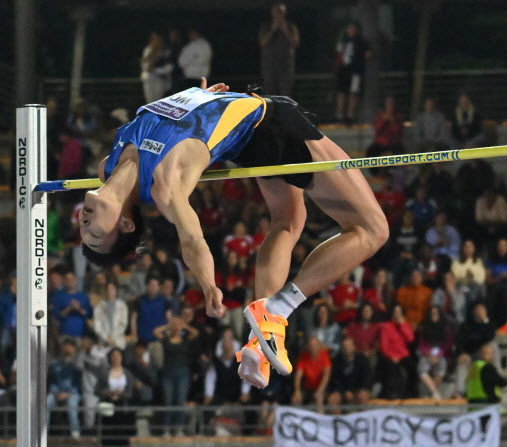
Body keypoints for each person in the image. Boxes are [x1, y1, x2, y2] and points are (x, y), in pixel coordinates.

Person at [78, 79, 388, 388]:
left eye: (83, 230)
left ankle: (260, 341)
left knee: (288, 222)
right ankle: (279, 308)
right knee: (373, 230)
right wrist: (209, 287)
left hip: (250, 140)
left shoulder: (108, 166)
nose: (84, 224)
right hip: (272, 124)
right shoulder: (165, 187)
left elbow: (167, 117)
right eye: (94, 236)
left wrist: (199, 96)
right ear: (125, 224)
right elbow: (193, 240)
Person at [258, 2, 299, 96]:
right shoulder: (266, 26)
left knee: (285, 95)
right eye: (277, 12)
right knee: (269, 94)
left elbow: (295, 43)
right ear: (272, 12)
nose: (279, 14)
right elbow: (262, 42)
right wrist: (273, 29)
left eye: (281, 12)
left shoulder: (291, 26)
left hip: (286, 67)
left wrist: (285, 30)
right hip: (269, 67)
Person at [335, 21, 371, 123]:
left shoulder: (361, 41)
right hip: (343, 69)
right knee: (341, 91)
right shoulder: (343, 40)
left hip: (355, 70)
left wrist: (359, 61)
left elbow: (368, 53)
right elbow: (339, 53)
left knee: (353, 92)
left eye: (353, 29)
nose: (351, 31)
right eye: (349, 28)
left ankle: (350, 114)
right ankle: (339, 114)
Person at [47, 338, 82, 439]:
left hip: (72, 393)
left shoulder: (77, 365)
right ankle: (43, 432)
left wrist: (67, 394)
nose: (68, 347)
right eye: (66, 345)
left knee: (72, 405)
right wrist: (56, 392)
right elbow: (52, 381)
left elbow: (78, 383)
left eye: (70, 345)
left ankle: (75, 433)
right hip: (57, 393)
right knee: (46, 402)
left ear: (74, 348)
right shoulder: (55, 364)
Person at [378, 304, 415, 399]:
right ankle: (392, 395)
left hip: (403, 355)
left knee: (412, 368)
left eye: (399, 312)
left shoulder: (405, 324)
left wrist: (402, 325)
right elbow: (383, 346)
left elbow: (410, 339)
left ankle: (410, 394)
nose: (397, 314)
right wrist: (391, 356)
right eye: (395, 312)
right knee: (391, 368)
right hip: (390, 355)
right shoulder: (386, 326)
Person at [327, 337, 372, 408]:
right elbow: (335, 379)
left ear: (354, 347)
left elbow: (367, 376)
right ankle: (338, 418)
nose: (346, 348)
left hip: (358, 389)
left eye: (348, 346)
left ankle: (361, 418)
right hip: (342, 391)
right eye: (344, 346)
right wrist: (344, 392)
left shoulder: (362, 359)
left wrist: (362, 389)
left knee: (363, 396)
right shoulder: (337, 360)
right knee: (332, 399)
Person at [291, 336, 331, 406]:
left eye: (315, 345)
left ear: (319, 346)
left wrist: (320, 390)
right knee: (296, 399)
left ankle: (320, 416)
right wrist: (297, 391)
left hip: (321, 387)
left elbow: (326, 376)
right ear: (308, 347)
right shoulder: (303, 357)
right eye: (311, 346)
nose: (313, 348)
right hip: (307, 387)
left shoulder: (324, 355)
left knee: (319, 397)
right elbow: (298, 376)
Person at [52, 271, 93, 339]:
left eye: (72, 279)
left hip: (82, 335)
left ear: (75, 280)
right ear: (64, 281)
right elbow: (57, 316)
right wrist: (70, 308)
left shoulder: (83, 296)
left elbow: (88, 314)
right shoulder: (59, 295)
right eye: (68, 279)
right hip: (65, 334)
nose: (70, 281)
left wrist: (78, 308)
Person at [92, 281, 129, 349]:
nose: (110, 291)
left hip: (118, 340)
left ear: (115, 290)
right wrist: (106, 338)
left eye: (112, 289)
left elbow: (123, 324)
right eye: (108, 289)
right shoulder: (99, 307)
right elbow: (97, 325)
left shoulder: (122, 305)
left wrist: (113, 338)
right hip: (104, 341)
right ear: (105, 291)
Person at [141, 32, 173, 103]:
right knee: (149, 102)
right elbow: (144, 64)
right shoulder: (148, 50)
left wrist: (156, 70)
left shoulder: (166, 51)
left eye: (158, 39)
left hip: (160, 79)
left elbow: (169, 67)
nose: (156, 41)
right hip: (148, 78)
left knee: (157, 102)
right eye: (154, 39)